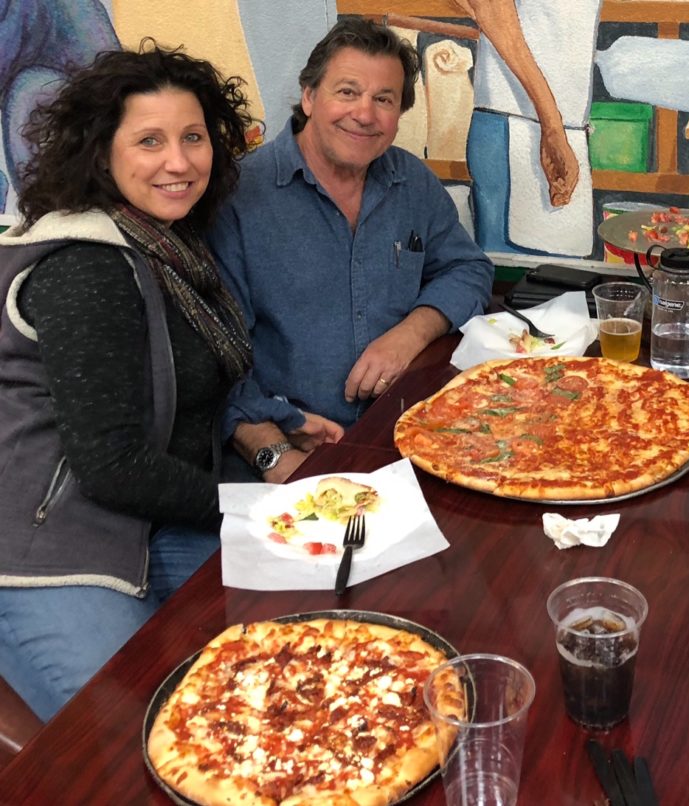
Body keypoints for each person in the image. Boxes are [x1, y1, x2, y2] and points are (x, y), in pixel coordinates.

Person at [0, 42, 254, 721]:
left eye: (193, 137)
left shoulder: (165, 245)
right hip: (48, 543)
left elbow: (190, 396)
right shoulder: (86, 264)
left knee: (288, 644)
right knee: (141, 731)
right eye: (150, 141)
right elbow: (111, 466)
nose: (180, 161)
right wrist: (255, 506)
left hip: (147, 519)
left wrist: (267, 435)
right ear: (99, 152)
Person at [208, 17, 494, 484]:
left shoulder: (412, 181)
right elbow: (213, 361)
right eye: (347, 92)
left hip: (411, 439)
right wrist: (274, 455)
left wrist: (410, 334)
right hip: (285, 451)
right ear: (309, 96)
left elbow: (467, 269)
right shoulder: (237, 197)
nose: (365, 114)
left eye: (384, 99)